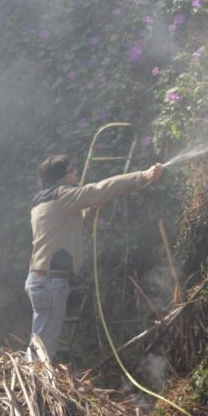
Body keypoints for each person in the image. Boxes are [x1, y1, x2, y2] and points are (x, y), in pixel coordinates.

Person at [26, 154, 163, 360]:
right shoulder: (63, 196)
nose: (76, 172)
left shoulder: (43, 201)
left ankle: (32, 381)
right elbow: (101, 189)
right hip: (51, 282)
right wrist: (143, 176)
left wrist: (91, 208)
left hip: (42, 279)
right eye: (72, 170)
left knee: (41, 339)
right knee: (42, 348)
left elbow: (75, 224)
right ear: (60, 179)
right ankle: (34, 385)